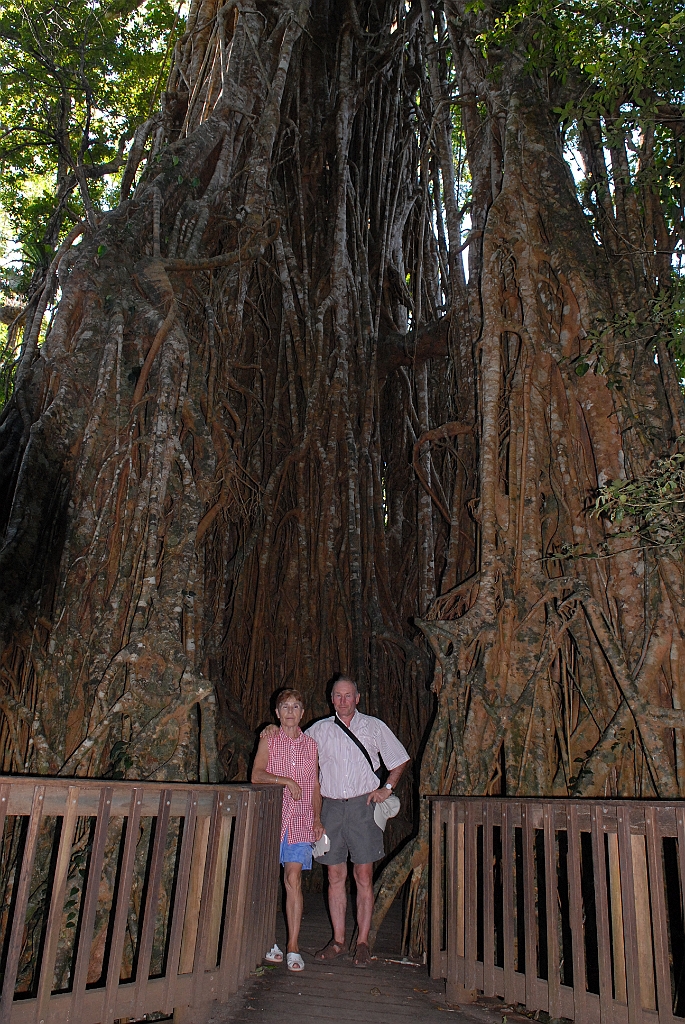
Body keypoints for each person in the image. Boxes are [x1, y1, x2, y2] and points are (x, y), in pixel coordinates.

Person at [308, 675, 410, 968]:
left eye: (348, 695)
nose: (343, 701)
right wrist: (273, 731)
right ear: (331, 699)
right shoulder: (319, 730)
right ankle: (339, 941)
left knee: (363, 876)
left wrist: (386, 788)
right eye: (338, 696)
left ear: (357, 698)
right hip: (330, 808)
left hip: (363, 806)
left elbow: (399, 758)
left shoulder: (373, 727)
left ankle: (362, 943)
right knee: (334, 876)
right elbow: (295, 752)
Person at [252, 688, 324, 972]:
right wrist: (285, 781)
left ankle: (293, 946)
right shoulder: (269, 739)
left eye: (295, 707)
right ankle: (268, 941)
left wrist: (317, 818)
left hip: (301, 821)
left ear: (302, 713)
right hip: (272, 819)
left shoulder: (311, 746)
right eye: (285, 707)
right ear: (277, 713)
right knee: (266, 881)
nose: (290, 712)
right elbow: (257, 775)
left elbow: (315, 786)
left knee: (293, 878)